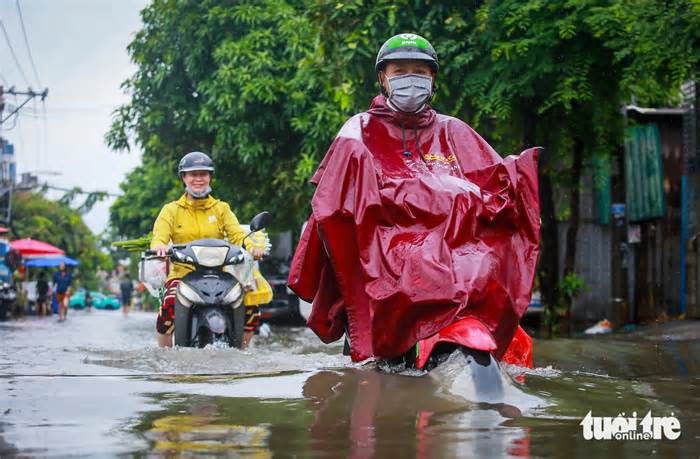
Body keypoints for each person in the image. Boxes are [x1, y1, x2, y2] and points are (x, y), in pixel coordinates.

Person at [288, 34, 540, 365]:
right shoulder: (358, 131)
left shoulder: (454, 131)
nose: (411, 79)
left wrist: (521, 179)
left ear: (433, 79)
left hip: (451, 266)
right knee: (367, 379)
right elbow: (334, 202)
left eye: (420, 71)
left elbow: (495, 185)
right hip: (380, 268)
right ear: (383, 78)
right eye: (400, 70)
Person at [151, 151, 265, 347]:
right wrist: (160, 247)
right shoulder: (171, 210)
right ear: (184, 178)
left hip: (220, 273)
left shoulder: (222, 208)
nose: (198, 179)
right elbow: (159, 238)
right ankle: (165, 357)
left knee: (251, 306)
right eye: (192, 174)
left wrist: (253, 248)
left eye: (203, 174)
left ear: (210, 177)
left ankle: (243, 354)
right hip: (182, 274)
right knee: (169, 305)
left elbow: (238, 236)